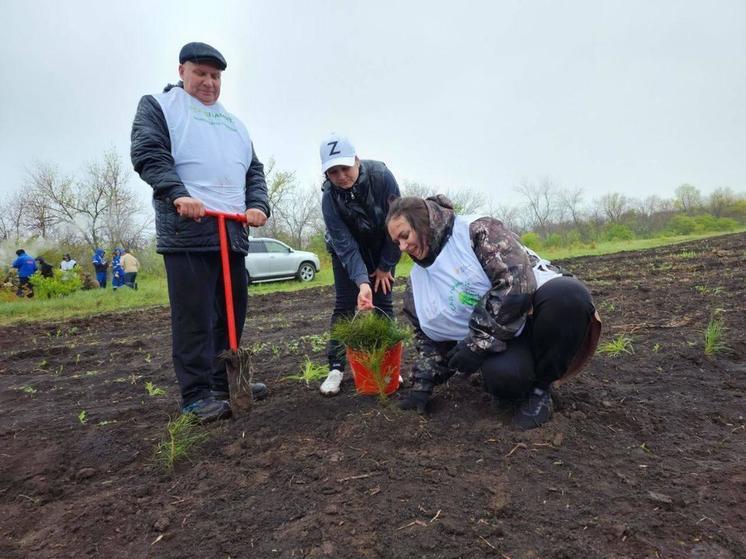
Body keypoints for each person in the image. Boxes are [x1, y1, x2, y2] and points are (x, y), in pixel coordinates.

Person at [131, 41, 271, 423]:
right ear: (182, 71)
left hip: (232, 232)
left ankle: (225, 381)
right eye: (200, 74)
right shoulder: (159, 106)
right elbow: (149, 153)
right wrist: (179, 194)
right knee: (193, 317)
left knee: (231, 312)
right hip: (189, 230)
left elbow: (253, 171)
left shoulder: (233, 123)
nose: (209, 82)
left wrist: (258, 205)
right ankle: (196, 395)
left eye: (215, 76)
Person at [387, 195, 601, 430]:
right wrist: (422, 387)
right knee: (504, 377)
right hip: (502, 339)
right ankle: (523, 383)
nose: (403, 248)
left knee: (568, 296)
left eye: (405, 236)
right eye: (396, 242)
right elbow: (429, 337)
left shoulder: (477, 231)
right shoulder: (417, 284)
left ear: (422, 223)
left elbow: (516, 285)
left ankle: (542, 389)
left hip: (534, 312)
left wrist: (476, 344)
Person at [318, 133, 402, 396]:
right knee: (345, 304)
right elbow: (344, 243)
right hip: (346, 252)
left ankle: (388, 367)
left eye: (345, 167)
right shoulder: (329, 198)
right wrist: (362, 281)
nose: (341, 176)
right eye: (333, 172)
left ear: (356, 159)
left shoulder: (382, 177)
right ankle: (336, 368)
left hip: (382, 246)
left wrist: (385, 265)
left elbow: (397, 223)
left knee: (384, 302)